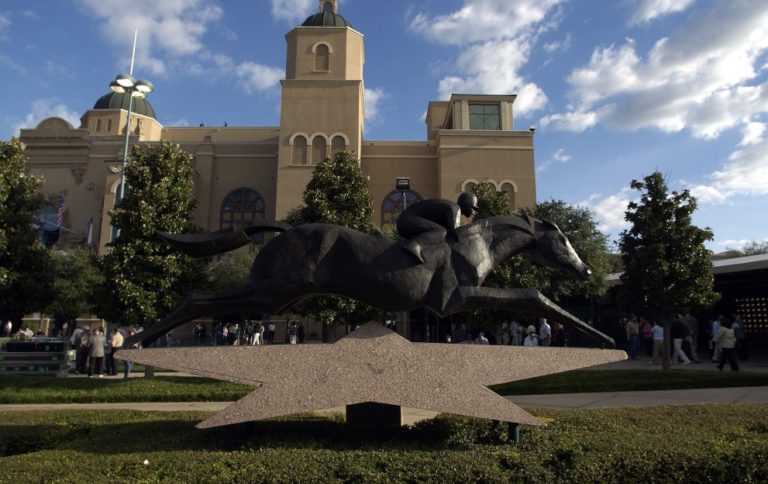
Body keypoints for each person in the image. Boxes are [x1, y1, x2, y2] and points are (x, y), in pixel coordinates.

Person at [396, 191, 479, 263]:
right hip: (408, 220)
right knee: (440, 231)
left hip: (405, 220)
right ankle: (414, 244)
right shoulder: (455, 208)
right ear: (466, 204)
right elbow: (456, 233)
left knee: (441, 233)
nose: (474, 212)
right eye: (473, 208)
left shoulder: (450, 207)